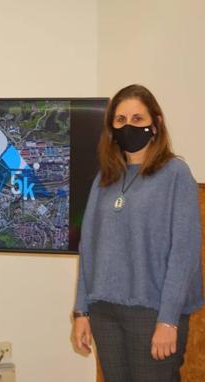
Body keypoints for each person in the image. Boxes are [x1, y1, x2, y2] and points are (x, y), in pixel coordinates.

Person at [72, 84, 203, 382]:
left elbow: (184, 253)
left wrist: (168, 320)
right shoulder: (104, 178)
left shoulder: (175, 174)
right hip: (104, 311)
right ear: (111, 127)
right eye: (120, 120)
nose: (128, 126)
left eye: (137, 119)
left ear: (155, 124)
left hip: (153, 314)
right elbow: (88, 249)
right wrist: (82, 312)